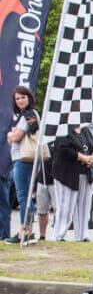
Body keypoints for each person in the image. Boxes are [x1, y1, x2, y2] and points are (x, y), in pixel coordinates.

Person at [52, 126, 93, 242]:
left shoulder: (85, 130)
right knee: (65, 207)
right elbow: (63, 149)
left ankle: (82, 236)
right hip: (66, 175)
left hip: (85, 174)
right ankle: (59, 235)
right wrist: (83, 158)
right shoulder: (63, 129)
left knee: (84, 206)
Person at [6, 86, 39, 243]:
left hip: (24, 159)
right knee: (26, 196)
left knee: (22, 195)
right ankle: (28, 231)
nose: (20, 101)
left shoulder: (29, 115)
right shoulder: (24, 116)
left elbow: (16, 137)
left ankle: (23, 232)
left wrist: (10, 134)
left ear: (29, 98)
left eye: (23, 97)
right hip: (24, 160)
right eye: (17, 98)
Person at [34, 149, 54, 241]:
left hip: (56, 180)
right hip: (42, 180)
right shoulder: (42, 138)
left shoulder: (60, 137)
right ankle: (42, 235)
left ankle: (57, 235)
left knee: (58, 210)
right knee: (42, 210)